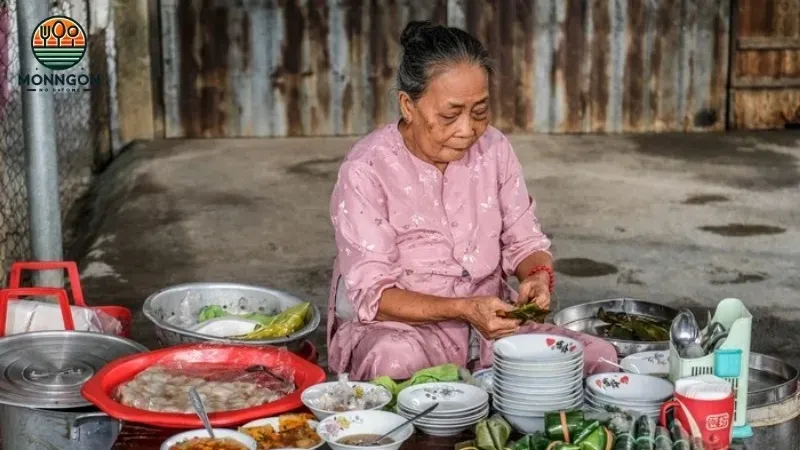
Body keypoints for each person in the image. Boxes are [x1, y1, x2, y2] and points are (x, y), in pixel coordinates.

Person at [326, 20, 618, 381]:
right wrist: (464, 309)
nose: (468, 130)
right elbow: (374, 295)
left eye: (479, 112)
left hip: (493, 328)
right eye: (450, 115)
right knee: (396, 363)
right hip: (402, 332)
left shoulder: (494, 148)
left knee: (600, 361)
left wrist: (538, 280)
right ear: (408, 105)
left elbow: (525, 242)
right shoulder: (366, 169)